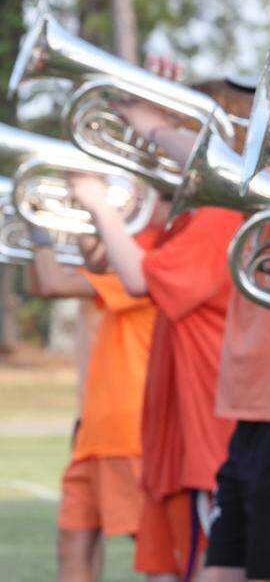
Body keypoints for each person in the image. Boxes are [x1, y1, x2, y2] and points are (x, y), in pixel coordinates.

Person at [119, 48, 270, 582]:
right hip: (255, 414)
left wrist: (151, 123)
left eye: (268, 100)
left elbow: (225, 173)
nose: (252, 115)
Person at [71, 80, 252, 582]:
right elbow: (103, 254)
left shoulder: (220, 215)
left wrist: (95, 199)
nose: (157, 145)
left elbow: (135, 275)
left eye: (172, 133)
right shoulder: (185, 220)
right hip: (173, 447)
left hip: (205, 446)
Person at [29, 225, 161, 582]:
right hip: (94, 432)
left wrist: (38, 231)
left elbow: (53, 284)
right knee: (72, 541)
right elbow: (41, 283)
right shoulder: (111, 274)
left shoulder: (142, 268)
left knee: (155, 550)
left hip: (128, 433)